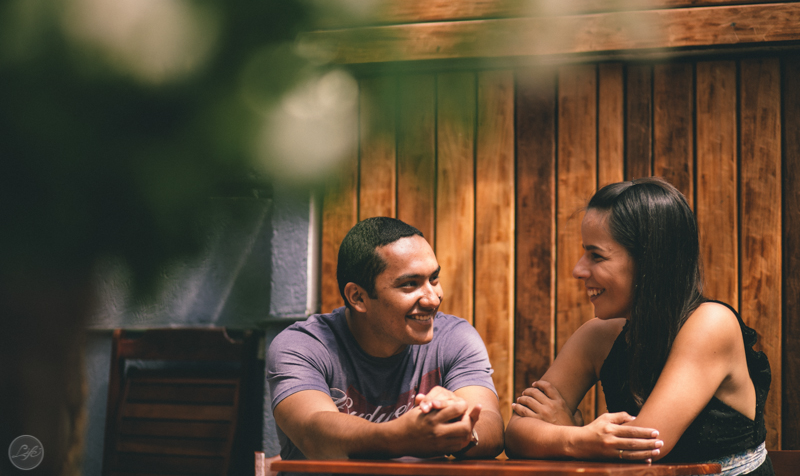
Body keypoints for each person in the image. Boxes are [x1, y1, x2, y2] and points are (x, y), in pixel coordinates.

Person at [505, 177, 773, 476]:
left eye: (596, 255)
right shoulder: (597, 336)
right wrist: (579, 437)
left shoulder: (711, 324)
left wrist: (562, 430)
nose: (578, 270)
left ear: (649, 262)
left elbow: (645, 445)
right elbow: (516, 433)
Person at [267, 217, 504, 461]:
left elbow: (491, 427)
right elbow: (314, 434)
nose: (433, 299)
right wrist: (402, 436)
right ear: (358, 297)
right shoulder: (302, 345)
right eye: (410, 285)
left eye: (433, 279)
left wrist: (459, 428)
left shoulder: (455, 338)